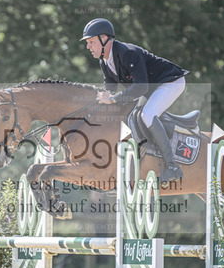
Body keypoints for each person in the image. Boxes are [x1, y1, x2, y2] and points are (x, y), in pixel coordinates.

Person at [80, 18, 190, 182]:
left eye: (91, 42)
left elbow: (140, 88)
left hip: (170, 82)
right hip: (152, 88)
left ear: (104, 38)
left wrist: (112, 99)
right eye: (88, 43)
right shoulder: (104, 62)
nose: (88, 47)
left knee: (147, 115)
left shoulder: (128, 53)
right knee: (131, 115)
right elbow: (109, 90)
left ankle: (172, 166)